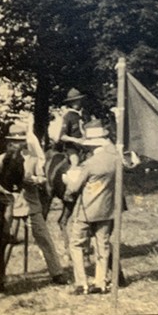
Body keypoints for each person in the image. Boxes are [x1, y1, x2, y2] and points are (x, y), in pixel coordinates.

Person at [63, 119, 120, 295]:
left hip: (87, 210)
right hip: (107, 209)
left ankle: (82, 283)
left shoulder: (90, 163)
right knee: (102, 246)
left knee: (76, 244)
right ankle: (100, 282)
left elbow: (74, 187)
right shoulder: (115, 159)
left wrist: (67, 180)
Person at [7, 122, 66, 285]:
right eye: (13, 141)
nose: (17, 144)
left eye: (20, 141)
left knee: (44, 238)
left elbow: (42, 178)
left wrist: (36, 180)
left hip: (31, 203)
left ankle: (56, 272)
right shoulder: (4, 158)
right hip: (11, 204)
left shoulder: (33, 158)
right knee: (5, 240)